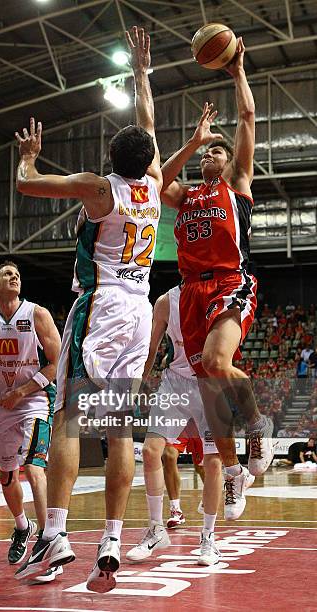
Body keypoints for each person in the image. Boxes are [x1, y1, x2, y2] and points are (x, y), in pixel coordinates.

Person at [13, 26, 162, 593]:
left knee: (72, 415)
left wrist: (27, 159)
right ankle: (113, 539)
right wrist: (143, 74)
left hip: (100, 305)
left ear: (109, 158)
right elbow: (148, 127)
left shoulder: (102, 189)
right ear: (147, 159)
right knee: (119, 429)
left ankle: (56, 533)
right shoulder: (151, 183)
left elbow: (29, 186)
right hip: (139, 307)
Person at [160, 37, 272, 515]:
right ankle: (232, 474)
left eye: (216, 154)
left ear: (229, 164)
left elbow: (247, 119)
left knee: (215, 361)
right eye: (209, 155)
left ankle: (258, 424)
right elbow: (158, 182)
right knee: (208, 384)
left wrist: (236, 72)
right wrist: (193, 141)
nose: (212, 158)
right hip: (190, 291)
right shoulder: (185, 196)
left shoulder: (238, 184)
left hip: (230, 281)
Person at [0, 261, 62, 583]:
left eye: (17, 274)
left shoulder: (37, 314)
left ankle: (51, 543)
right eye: (7, 274)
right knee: (8, 477)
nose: (14, 277)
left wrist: (22, 391)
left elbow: (56, 363)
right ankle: (23, 527)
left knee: (35, 469)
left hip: (34, 402)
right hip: (0, 409)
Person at [126, 286, 234, 567]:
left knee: (212, 463)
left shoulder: (219, 296)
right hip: (174, 383)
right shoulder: (165, 301)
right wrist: (137, 386)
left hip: (209, 385)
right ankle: (155, 528)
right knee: (151, 451)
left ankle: (208, 538)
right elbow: (150, 349)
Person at [162, 421, 205, 528]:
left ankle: (208, 497)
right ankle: (176, 510)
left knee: (202, 467)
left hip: (202, 420)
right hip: (180, 420)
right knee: (168, 455)